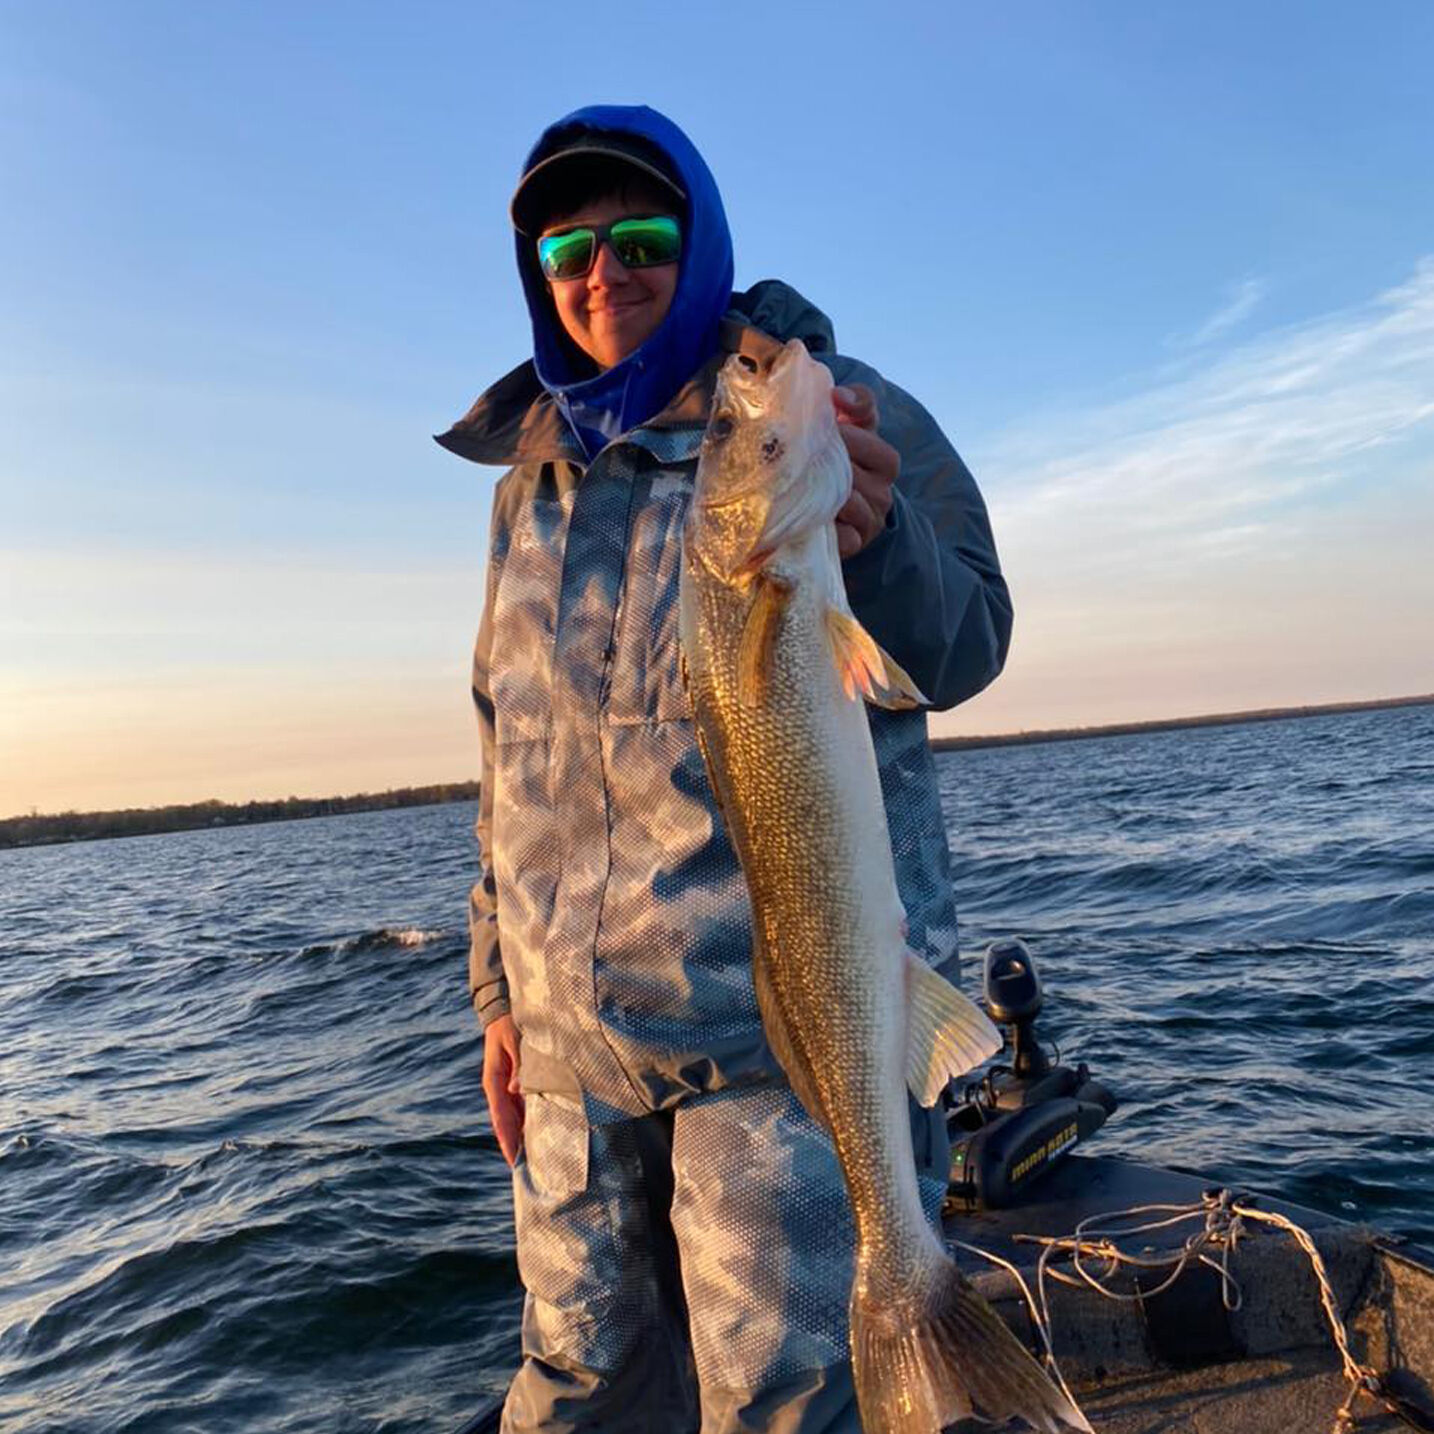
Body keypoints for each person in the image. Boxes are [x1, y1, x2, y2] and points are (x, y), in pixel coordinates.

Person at [436, 104, 1013, 1434]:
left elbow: (968, 640)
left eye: (639, 234)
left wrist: (872, 546)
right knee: (578, 1390)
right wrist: (499, 997)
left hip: (776, 1049)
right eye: (565, 252)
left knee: (786, 1400)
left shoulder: (830, 405)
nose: (603, 271)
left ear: (696, 242)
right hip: (573, 1052)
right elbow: (507, 755)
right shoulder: (523, 484)